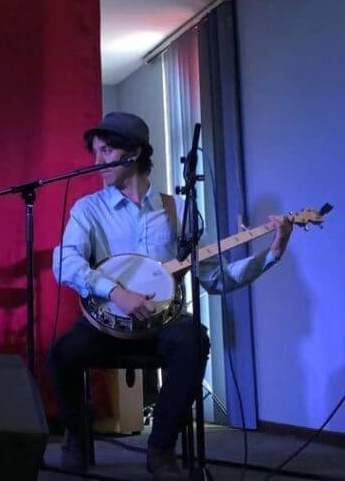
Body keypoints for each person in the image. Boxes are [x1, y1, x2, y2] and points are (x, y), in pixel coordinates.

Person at [49, 111, 293, 480]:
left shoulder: (176, 211)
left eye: (106, 151)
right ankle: (77, 434)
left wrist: (272, 252)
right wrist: (116, 291)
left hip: (161, 323)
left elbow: (216, 278)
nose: (97, 161)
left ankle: (161, 447)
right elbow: (65, 262)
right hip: (107, 325)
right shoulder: (89, 209)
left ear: (135, 152)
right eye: (95, 151)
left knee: (193, 339)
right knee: (62, 352)